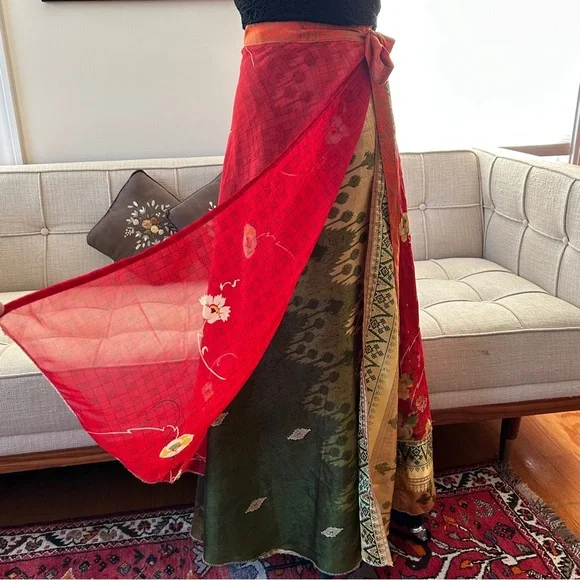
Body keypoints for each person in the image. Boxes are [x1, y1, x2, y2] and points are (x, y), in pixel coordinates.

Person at [0, 0, 434, 575]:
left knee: (339, 326)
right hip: (273, 109)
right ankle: (254, 518)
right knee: (255, 324)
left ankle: (349, 513)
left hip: (353, 121)